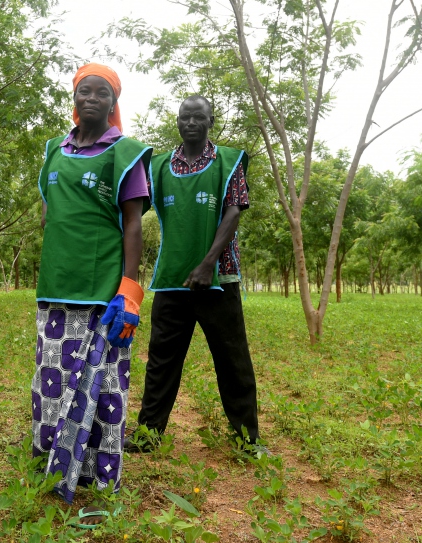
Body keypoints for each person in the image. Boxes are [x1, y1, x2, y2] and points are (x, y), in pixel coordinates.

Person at [31, 63, 152, 522]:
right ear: (75, 97)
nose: (91, 99)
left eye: (102, 93)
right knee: (52, 379)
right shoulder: (53, 150)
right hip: (54, 285)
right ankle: (54, 463)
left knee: (102, 385)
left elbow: (134, 223)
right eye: (84, 91)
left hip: (101, 289)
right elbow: (51, 212)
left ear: (113, 102)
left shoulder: (126, 154)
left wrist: (129, 288)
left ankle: (99, 475)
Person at [126, 95, 265, 455]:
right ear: (178, 122)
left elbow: (233, 213)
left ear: (210, 121)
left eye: (198, 117)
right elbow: (132, 213)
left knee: (233, 361)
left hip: (220, 280)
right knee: (161, 361)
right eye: (185, 117)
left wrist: (208, 263)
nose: (190, 123)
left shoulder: (229, 162)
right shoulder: (157, 167)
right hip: (172, 281)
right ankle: (148, 433)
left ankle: (248, 440)